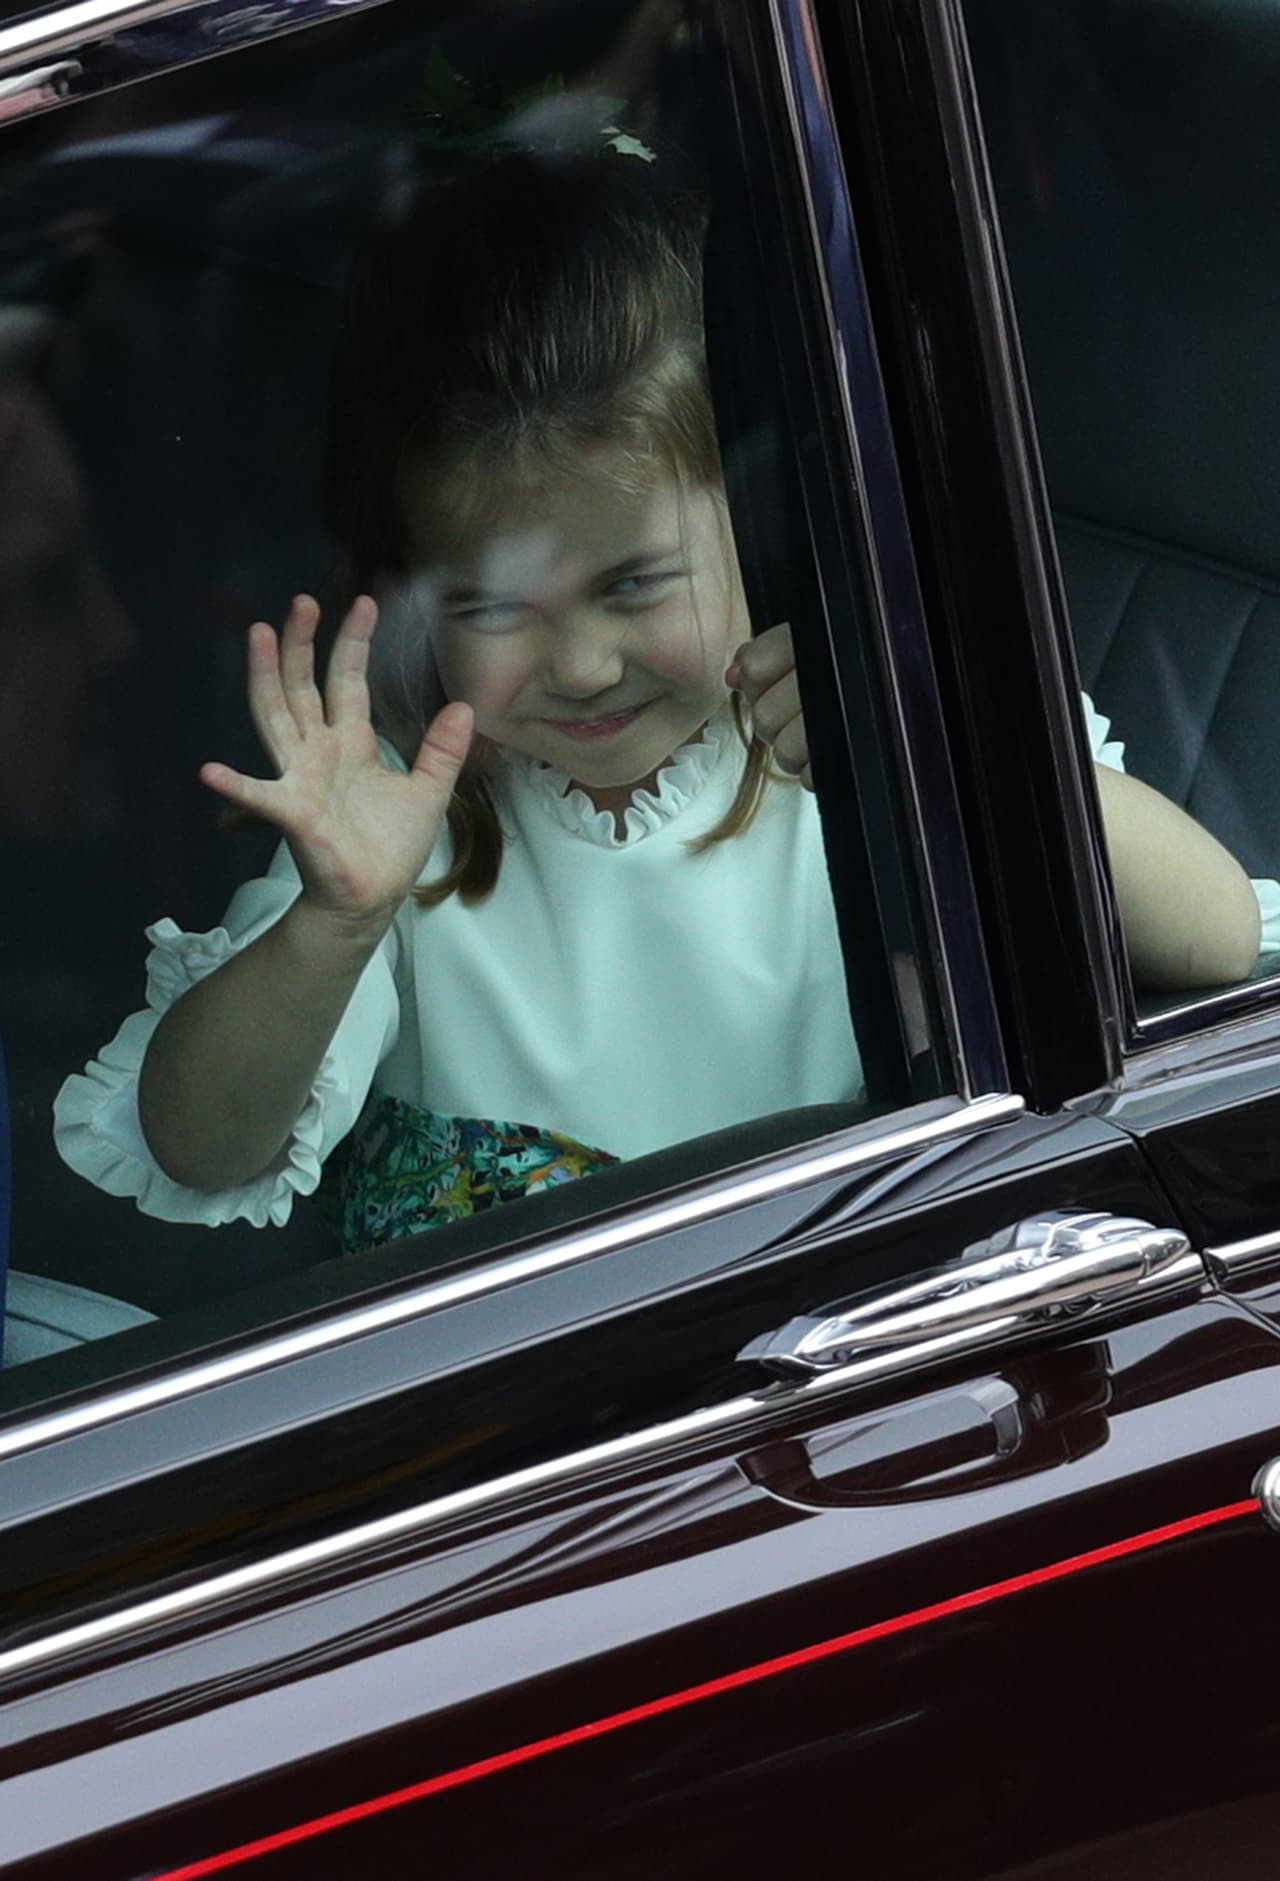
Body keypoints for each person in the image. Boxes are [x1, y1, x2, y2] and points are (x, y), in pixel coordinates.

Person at [52, 136, 1266, 1256]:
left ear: (758, 529)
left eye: (632, 584)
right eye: (491, 607)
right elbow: (199, 1146)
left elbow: (1214, 937)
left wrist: (941, 761)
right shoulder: (400, 825)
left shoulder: (875, 735)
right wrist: (331, 926)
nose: (580, 664)